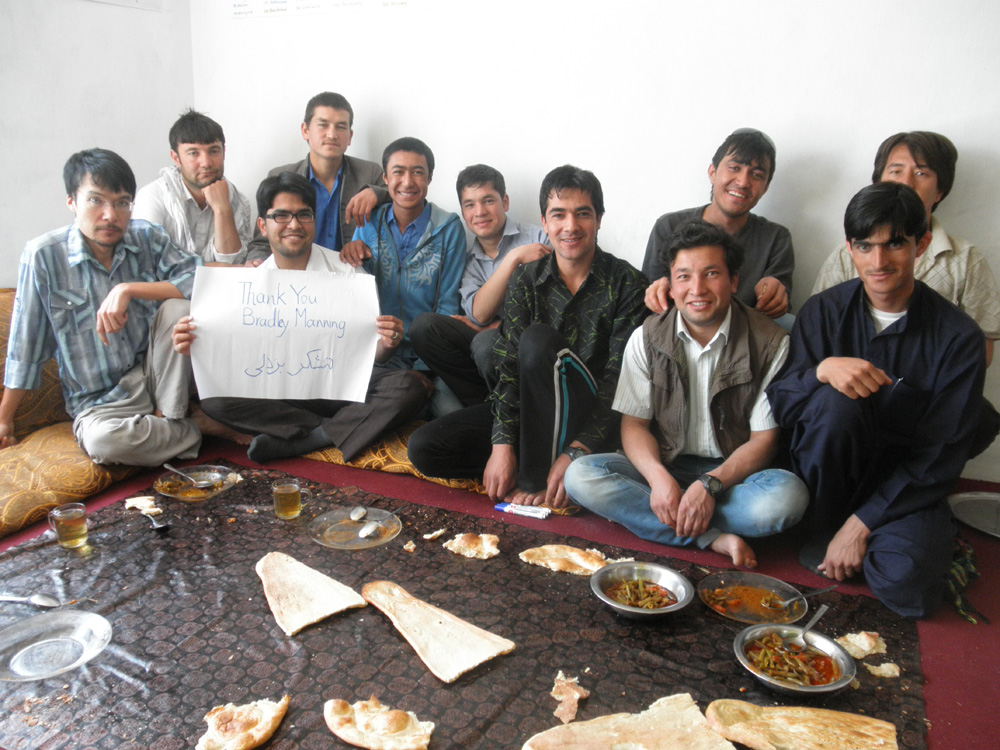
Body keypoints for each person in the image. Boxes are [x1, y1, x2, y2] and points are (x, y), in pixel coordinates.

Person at [766, 182, 985, 618]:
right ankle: (826, 527)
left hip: (902, 487)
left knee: (912, 587)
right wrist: (820, 371)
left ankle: (855, 536)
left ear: (921, 244)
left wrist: (865, 521)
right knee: (836, 404)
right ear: (850, 247)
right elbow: (783, 404)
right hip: (822, 479)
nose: (879, 262)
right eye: (865, 246)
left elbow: (941, 455)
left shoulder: (959, 337)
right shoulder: (823, 311)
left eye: (895, 245)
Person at [563, 221, 807, 567]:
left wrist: (709, 486)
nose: (697, 289)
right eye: (684, 276)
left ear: (734, 281)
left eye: (711, 274)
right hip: (667, 466)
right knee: (581, 477)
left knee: (786, 500)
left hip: (732, 479)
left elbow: (763, 442)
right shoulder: (646, 338)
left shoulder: (770, 342)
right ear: (670, 285)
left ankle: (668, 521)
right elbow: (634, 427)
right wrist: (659, 480)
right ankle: (709, 537)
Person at [407, 165, 648, 507]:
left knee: (537, 341)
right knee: (425, 449)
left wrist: (577, 452)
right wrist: (502, 445)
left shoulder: (627, 283)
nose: (570, 226)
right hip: (530, 417)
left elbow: (619, 384)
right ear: (545, 221)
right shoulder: (526, 279)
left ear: (599, 219)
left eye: (583, 214)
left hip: (586, 419)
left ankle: (539, 475)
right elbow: (507, 368)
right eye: (559, 215)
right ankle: (529, 461)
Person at [172, 172, 427, 464]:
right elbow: (230, 361)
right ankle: (333, 429)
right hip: (279, 391)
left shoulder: (344, 271)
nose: (294, 225)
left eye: (303, 215)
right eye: (281, 216)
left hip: (339, 388)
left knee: (409, 387)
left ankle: (306, 439)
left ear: (314, 222)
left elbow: (374, 358)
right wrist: (195, 344)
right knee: (214, 399)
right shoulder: (245, 288)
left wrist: (388, 342)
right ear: (263, 226)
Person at [0, 148, 225, 466]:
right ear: (71, 202)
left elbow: (198, 280)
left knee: (178, 308)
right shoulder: (44, 257)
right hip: (98, 403)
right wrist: (5, 418)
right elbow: (27, 345)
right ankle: (190, 428)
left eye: (122, 203)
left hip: (154, 379)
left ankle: (170, 418)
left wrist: (129, 289)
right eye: (96, 200)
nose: (110, 215)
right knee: (104, 443)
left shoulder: (147, 237)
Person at [811, 131, 1000, 456]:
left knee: (980, 416)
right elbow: (817, 334)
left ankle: (921, 481)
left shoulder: (965, 259)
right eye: (896, 170)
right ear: (878, 180)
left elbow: (980, 350)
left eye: (922, 172)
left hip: (926, 392)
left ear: (940, 189)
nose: (907, 181)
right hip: (854, 388)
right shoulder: (846, 254)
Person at [409, 164, 549, 407]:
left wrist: (493, 327)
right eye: (470, 204)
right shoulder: (469, 263)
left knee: (486, 343)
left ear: (505, 202)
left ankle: (502, 412)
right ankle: (487, 407)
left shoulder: (540, 238)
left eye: (488, 200)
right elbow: (480, 313)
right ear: (463, 213)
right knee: (424, 327)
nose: (480, 212)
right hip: (484, 360)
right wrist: (513, 259)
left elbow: (553, 306)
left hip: (532, 351)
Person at [641, 128, 794, 326]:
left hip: (744, 336)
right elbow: (648, 302)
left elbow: (780, 309)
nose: (743, 182)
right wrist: (658, 289)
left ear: (765, 188)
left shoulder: (776, 238)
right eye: (734, 168)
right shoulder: (669, 226)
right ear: (712, 172)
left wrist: (775, 294)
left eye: (756, 175)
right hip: (679, 334)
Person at [340, 137, 465, 373]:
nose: (407, 182)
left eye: (418, 172)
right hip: (379, 352)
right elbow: (356, 297)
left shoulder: (449, 228)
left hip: (430, 352)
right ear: (385, 178)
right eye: (398, 172)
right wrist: (350, 257)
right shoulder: (368, 222)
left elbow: (448, 304)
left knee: (446, 408)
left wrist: (424, 369)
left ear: (430, 178)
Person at [246, 92, 388, 263]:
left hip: (349, 274)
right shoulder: (280, 177)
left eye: (341, 127)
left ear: (350, 136)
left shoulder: (370, 173)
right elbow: (261, 242)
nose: (332, 134)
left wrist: (376, 192)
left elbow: (400, 200)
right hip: (297, 275)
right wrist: (256, 262)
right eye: (323, 125)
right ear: (305, 130)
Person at [133, 109, 254, 265]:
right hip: (162, 290)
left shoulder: (239, 201)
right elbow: (150, 265)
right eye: (193, 153)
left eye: (214, 151)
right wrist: (212, 268)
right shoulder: (153, 197)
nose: (206, 163)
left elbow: (233, 263)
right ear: (176, 158)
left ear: (224, 152)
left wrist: (222, 209)